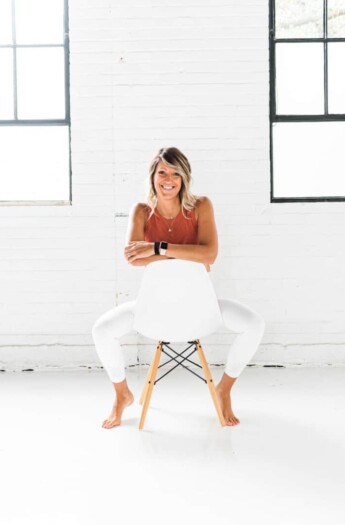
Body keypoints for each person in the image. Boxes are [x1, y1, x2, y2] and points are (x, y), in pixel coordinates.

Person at [92, 147, 265, 429]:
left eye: (175, 173)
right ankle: (121, 394)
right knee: (101, 330)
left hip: (199, 308)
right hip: (154, 310)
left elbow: (210, 255)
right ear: (153, 176)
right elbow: (133, 257)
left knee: (254, 324)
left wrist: (156, 248)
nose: (168, 179)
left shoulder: (201, 206)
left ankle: (224, 389)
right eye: (162, 172)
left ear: (184, 178)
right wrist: (187, 252)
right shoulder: (141, 211)